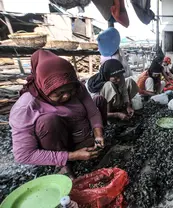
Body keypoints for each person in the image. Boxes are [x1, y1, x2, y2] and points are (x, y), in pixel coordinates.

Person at [9, 50, 106, 178]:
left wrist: (98, 136)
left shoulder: (77, 88)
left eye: (70, 91)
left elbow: (93, 112)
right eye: (59, 94)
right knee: (49, 121)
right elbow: (24, 155)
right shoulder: (26, 107)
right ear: (43, 87)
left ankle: (83, 149)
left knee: (99, 101)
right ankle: (62, 164)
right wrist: (72, 156)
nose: (66, 96)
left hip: (80, 138)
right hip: (56, 146)